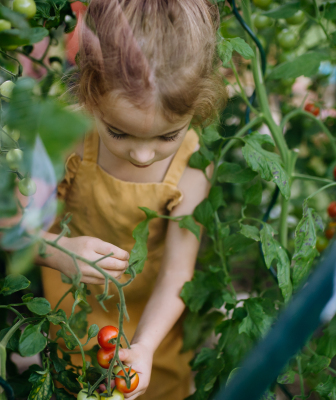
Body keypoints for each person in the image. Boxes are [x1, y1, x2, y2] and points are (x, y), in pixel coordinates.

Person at [38, 1, 225, 398]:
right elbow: (13, 228)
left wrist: (143, 346)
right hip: (73, 319)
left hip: (154, 326)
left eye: (167, 136)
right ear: (89, 92)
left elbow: (178, 272)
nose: (142, 156)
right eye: (119, 133)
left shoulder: (192, 167)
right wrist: (57, 251)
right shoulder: (66, 137)